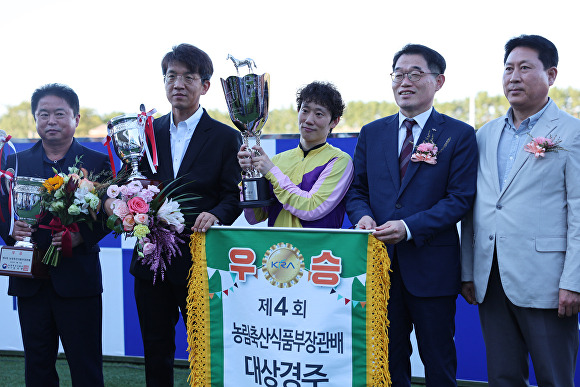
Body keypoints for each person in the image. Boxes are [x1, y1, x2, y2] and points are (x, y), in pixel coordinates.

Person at [346, 44, 478, 386]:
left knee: (438, 358)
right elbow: (357, 190)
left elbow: (460, 199)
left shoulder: (458, 134)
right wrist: (362, 216)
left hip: (432, 269)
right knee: (388, 358)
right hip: (379, 266)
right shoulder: (372, 132)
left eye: (415, 73)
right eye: (398, 74)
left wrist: (408, 227)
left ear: (439, 81)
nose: (405, 81)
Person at [461, 34, 580, 386]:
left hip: (547, 281)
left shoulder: (571, 133)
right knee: (502, 377)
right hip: (492, 277)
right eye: (508, 68)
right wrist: (468, 269)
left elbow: (578, 211)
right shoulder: (484, 134)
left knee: (553, 377)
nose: (513, 76)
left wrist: (573, 281)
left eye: (525, 68)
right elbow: (475, 207)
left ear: (552, 75)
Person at [129, 43, 242, 386]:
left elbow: (233, 195)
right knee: (155, 348)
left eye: (188, 77)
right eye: (171, 76)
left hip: (198, 259)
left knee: (204, 348)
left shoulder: (226, 137)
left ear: (205, 85)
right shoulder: (144, 133)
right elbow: (128, 183)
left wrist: (216, 214)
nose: (177, 84)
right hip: (150, 260)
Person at [0, 84, 111, 386]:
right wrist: (11, 230)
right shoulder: (14, 162)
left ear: (76, 118)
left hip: (78, 280)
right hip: (30, 282)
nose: (51, 120)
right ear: (35, 119)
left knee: (86, 365)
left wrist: (81, 237)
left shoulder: (97, 163)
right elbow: (2, 212)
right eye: (43, 114)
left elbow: (109, 215)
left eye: (60, 114)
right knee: (37, 366)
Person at [238, 81, 353, 228]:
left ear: (334, 122)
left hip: (316, 249)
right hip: (277, 249)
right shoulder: (277, 160)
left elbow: (311, 208)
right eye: (305, 111)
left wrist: (272, 173)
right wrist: (249, 175)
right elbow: (254, 217)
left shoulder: (339, 160)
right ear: (298, 111)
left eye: (319, 114)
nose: (309, 120)